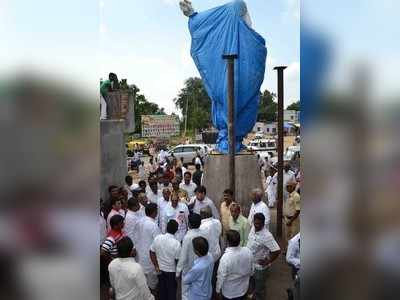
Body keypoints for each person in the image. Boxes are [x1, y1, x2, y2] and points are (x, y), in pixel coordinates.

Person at [246, 213, 281, 300]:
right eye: (255, 223)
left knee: (260, 289)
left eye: (259, 224)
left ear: (263, 223)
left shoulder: (267, 236)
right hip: (250, 264)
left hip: (259, 268)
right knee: (252, 285)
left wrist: (268, 261)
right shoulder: (253, 228)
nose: (256, 225)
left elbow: (277, 250)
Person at [216, 230, 253, 300]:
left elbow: (221, 276)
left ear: (227, 242)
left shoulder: (225, 258)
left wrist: (218, 291)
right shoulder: (248, 251)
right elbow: (251, 270)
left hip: (230, 293)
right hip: (244, 289)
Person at [150, 220, 181, 300]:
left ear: (167, 228)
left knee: (162, 292)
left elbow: (151, 252)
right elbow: (177, 261)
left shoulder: (158, 238)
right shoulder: (176, 243)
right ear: (176, 230)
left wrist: (156, 266)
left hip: (160, 270)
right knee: (171, 293)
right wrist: (177, 275)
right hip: (171, 272)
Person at [177, 213, 204, 300]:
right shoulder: (204, 233)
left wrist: (177, 271)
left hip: (189, 269)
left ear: (189, 224)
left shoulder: (187, 237)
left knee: (186, 293)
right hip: (201, 267)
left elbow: (183, 257)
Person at [135, 203, 161, 292]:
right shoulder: (153, 226)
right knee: (152, 285)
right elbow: (158, 243)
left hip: (140, 256)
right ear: (154, 213)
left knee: (143, 283)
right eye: (156, 211)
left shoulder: (139, 221)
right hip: (150, 258)